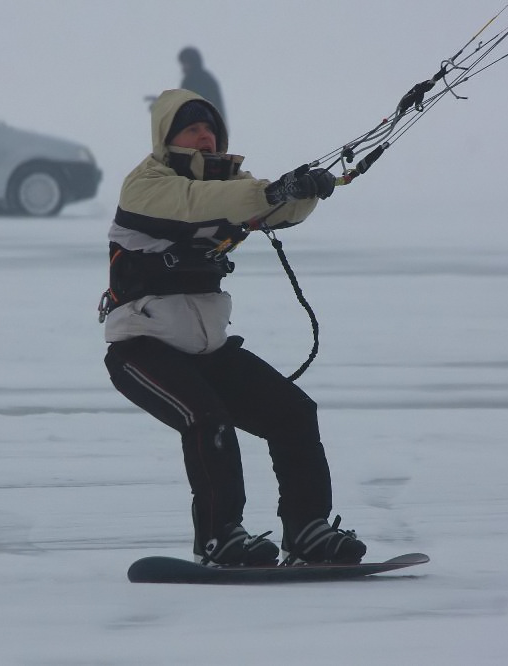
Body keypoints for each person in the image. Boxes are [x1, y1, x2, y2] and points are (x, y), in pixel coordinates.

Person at [100, 89, 367, 567]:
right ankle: (219, 537)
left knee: (294, 413)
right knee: (207, 419)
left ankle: (307, 530)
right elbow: (199, 202)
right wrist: (270, 191)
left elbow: (268, 209)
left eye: (211, 130)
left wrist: (303, 194)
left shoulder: (231, 181)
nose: (205, 136)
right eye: (192, 129)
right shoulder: (146, 185)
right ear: (167, 138)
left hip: (208, 349)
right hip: (140, 347)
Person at [178, 47, 225, 121]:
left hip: (205, 125)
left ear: (193, 62)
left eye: (186, 63)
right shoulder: (187, 81)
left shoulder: (205, 80)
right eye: (183, 64)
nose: (183, 67)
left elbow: (215, 107)